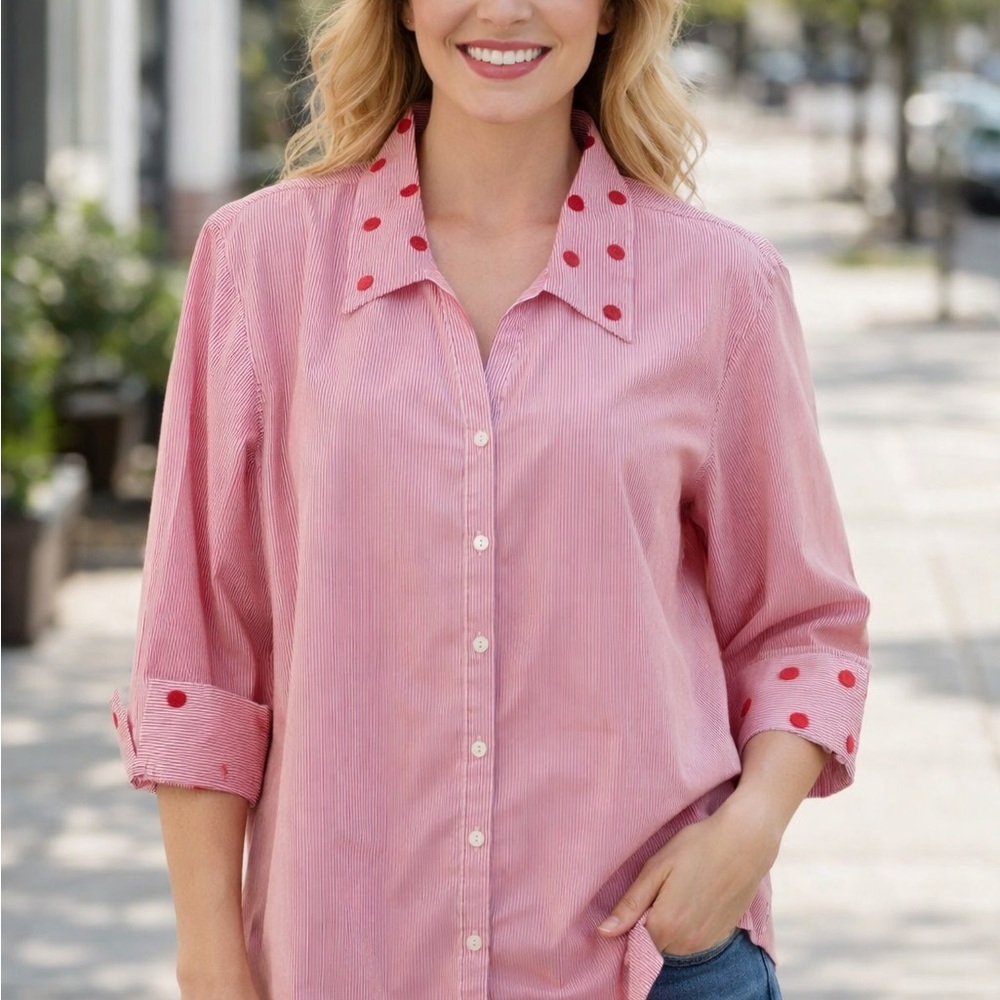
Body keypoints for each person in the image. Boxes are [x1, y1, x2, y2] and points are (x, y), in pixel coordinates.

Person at [111, 0, 871, 997]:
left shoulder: (723, 287)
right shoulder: (261, 267)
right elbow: (200, 647)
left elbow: (804, 629)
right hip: (347, 959)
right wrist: (210, 958)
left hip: (647, 964)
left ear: (608, 12)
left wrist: (749, 832)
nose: (503, 8)